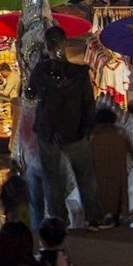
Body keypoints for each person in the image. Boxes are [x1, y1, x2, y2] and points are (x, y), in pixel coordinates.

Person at [22, 25, 102, 226]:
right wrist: (87, 130)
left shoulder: (42, 70)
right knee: (85, 176)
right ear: (65, 44)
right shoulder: (80, 73)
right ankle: (94, 217)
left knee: (52, 179)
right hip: (75, 133)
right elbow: (88, 104)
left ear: (47, 47)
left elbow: (30, 93)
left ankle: (59, 220)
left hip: (49, 134)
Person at [86, 107, 133, 228]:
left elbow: (87, 159)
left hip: (99, 175)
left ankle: (102, 220)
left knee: (102, 198)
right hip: (118, 175)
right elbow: (132, 152)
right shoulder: (120, 133)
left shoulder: (93, 136)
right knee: (117, 199)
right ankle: (117, 220)